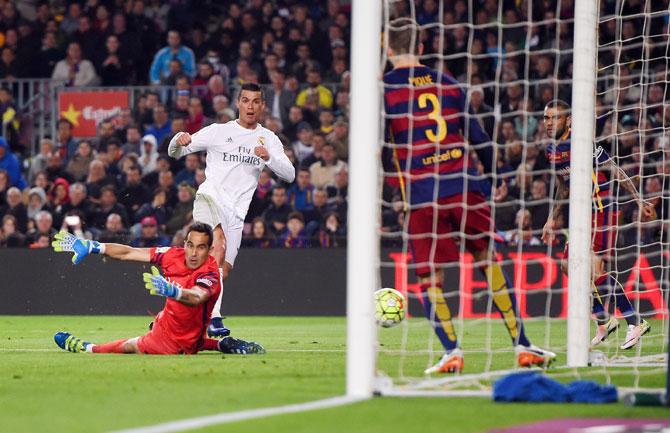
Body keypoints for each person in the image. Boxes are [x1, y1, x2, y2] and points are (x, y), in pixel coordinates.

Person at [383, 18, 554, 374]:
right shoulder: (449, 83)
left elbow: (382, 148)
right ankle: (523, 346)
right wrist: (496, 178)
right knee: (487, 259)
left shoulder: (383, 90)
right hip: (464, 185)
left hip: (422, 192)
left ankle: (452, 351)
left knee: (431, 278)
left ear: (387, 47)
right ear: (421, 48)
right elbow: (479, 137)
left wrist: (388, 190)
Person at [168, 82, 295, 337]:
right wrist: (177, 139)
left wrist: (268, 157)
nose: (250, 106)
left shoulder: (268, 139)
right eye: (245, 100)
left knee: (220, 271)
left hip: (237, 213)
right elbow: (175, 152)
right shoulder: (218, 131)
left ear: (262, 106)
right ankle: (214, 319)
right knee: (217, 246)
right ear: (238, 103)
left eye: (255, 101)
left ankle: (174, 315)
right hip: (210, 198)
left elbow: (290, 174)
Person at [51, 223, 264, 355]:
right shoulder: (172, 255)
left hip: (173, 343)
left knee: (131, 345)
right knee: (182, 332)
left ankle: (87, 348)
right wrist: (95, 247)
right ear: (185, 243)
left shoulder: (210, 273)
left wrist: (173, 292)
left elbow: (197, 297)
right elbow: (130, 253)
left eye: (200, 247)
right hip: (177, 326)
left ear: (209, 250)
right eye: (190, 245)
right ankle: (221, 345)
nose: (193, 253)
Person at [541, 99, 653, 350]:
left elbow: (615, 170)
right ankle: (604, 322)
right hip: (581, 213)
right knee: (567, 265)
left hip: (602, 210)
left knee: (593, 267)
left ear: (568, 120)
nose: (549, 123)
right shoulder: (551, 150)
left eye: (555, 118)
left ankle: (635, 322)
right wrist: (552, 217)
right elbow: (563, 186)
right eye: (546, 118)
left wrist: (639, 199)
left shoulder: (582, 145)